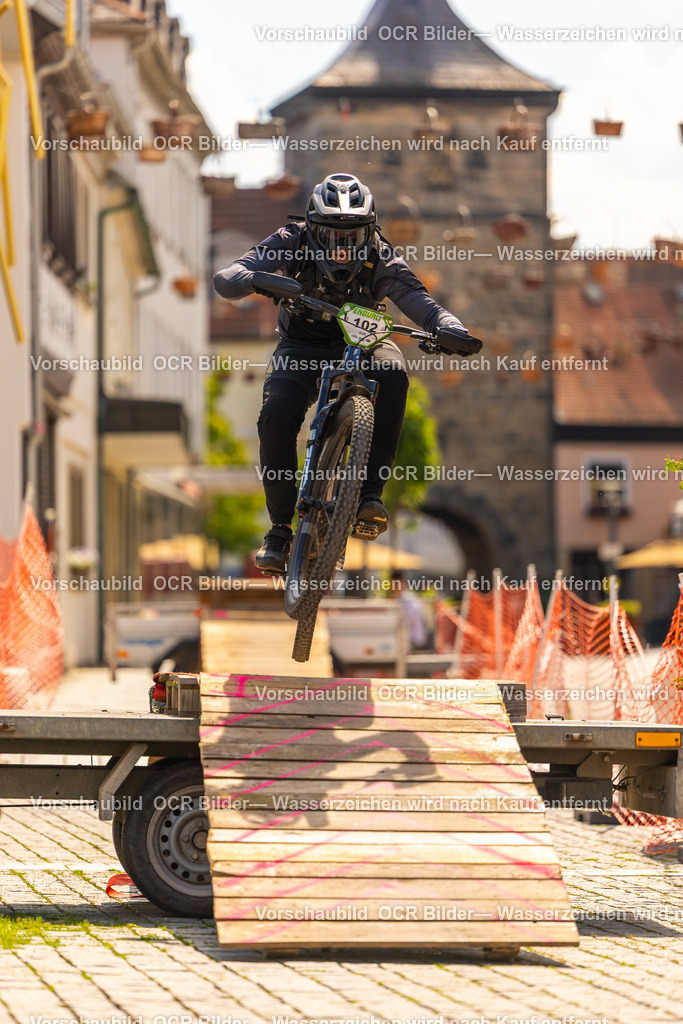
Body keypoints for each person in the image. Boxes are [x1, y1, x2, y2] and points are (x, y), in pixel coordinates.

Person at [213, 172, 477, 575]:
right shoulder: (289, 241)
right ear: (311, 229)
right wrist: (249, 278)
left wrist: (450, 327)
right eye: (331, 235)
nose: (341, 247)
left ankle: (370, 496)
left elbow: (420, 302)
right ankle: (280, 530)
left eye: (352, 237)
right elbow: (233, 273)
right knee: (276, 415)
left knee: (393, 374)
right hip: (301, 347)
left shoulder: (383, 258)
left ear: (369, 232)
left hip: (363, 342)